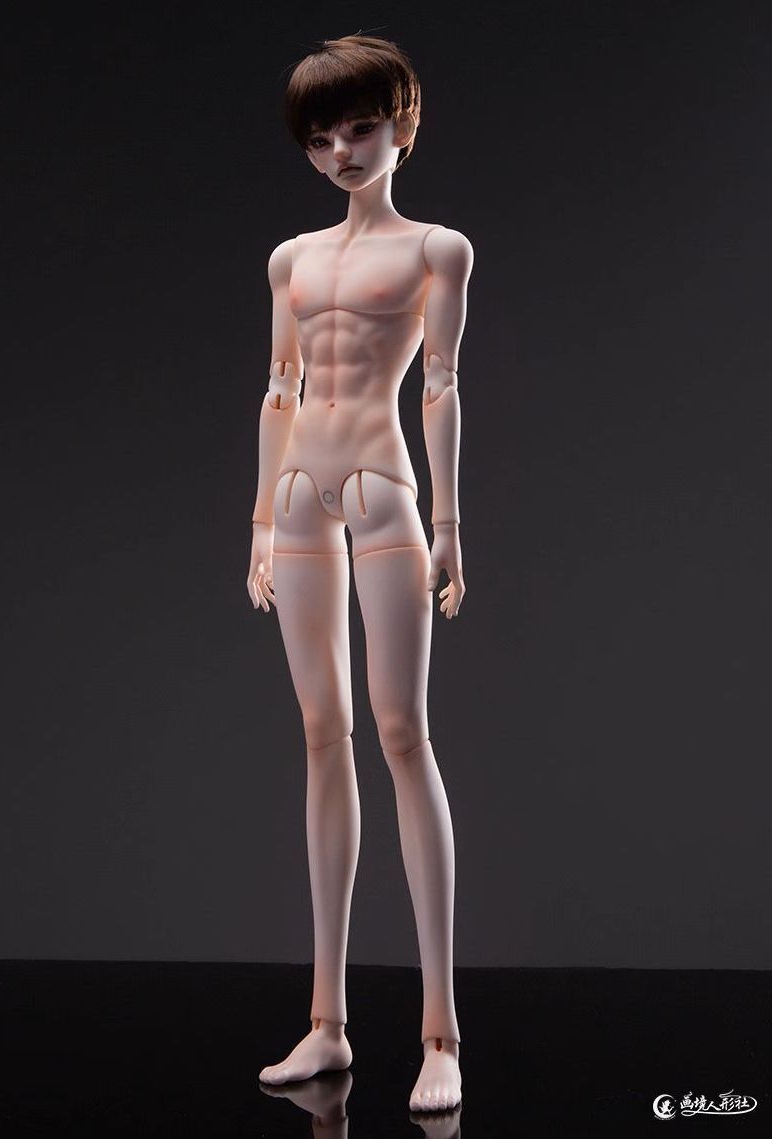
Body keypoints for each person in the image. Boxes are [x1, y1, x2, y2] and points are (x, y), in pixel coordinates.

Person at [247, 33, 473, 1113]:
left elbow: (442, 384)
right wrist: (256, 520)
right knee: (318, 732)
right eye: (321, 137)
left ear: (402, 126)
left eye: (360, 128)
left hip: (383, 489)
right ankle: (327, 1023)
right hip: (300, 491)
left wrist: (451, 521)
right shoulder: (290, 258)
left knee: (400, 731)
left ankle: (440, 1031)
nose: (341, 150)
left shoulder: (438, 249)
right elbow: (277, 388)